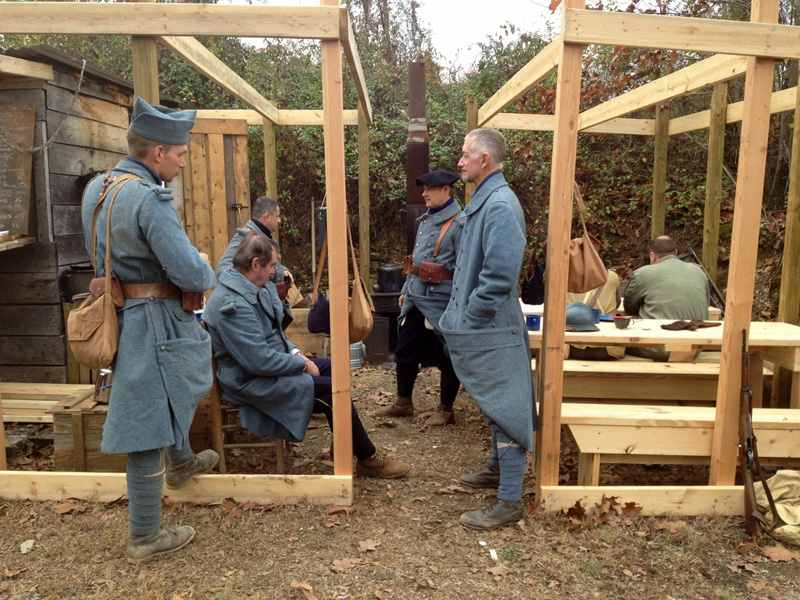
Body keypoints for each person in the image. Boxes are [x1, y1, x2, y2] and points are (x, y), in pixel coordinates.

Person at [81, 97, 219, 564]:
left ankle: (180, 463)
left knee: (163, 395)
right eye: (179, 154)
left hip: (122, 318)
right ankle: (144, 535)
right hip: (153, 322)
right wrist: (200, 263)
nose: (182, 162)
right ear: (157, 152)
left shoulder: (98, 188)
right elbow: (194, 277)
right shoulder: (150, 198)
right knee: (143, 421)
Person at [204, 232, 410, 479]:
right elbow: (257, 361)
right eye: (271, 266)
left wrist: (295, 351)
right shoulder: (232, 305)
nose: (273, 272)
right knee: (332, 392)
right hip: (250, 381)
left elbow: (273, 337)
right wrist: (301, 365)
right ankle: (368, 459)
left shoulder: (247, 286)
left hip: (267, 367)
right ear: (255, 264)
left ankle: (346, 442)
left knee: (337, 371)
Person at [438, 129, 537, 529]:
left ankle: (510, 501)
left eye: (465, 155)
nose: (459, 162)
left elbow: (498, 276)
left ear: (484, 160)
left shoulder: (499, 205)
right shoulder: (486, 200)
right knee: (496, 406)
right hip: (485, 327)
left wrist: (473, 318)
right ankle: (498, 470)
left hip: (494, 329)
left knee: (508, 409)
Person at [377, 170, 464, 426]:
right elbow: (415, 262)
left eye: (429, 189)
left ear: (446, 190)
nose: (423, 193)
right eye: (423, 188)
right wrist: (406, 289)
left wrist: (459, 305)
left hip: (442, 301)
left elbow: (464, 268)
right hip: (417, 295)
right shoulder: (426, 220)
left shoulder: (460, 223)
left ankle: (446, 409)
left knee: (448, 355)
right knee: (405, 349)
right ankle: (404, 403)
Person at [623, 235, 710, 361]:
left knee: (619, 343)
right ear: (676, 253)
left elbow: (630, 308)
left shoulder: (643, 273)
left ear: (653, 256)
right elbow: (705, 305)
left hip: (658, 348)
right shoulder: (699, 272)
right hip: (694, 348)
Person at [216, 195, 294, 327]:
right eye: (277, 216)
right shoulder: (243, 240)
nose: (280, 220)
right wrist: (251, 296)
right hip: (254, 312)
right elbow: (222, 271)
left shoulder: (264, 238)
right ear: (267, 216)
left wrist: (283, 271)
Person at [565, 270, 625, 360]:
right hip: (608, 350)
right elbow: (617, 303)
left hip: (574, 348)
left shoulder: (565, 275)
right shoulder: (612, 276)